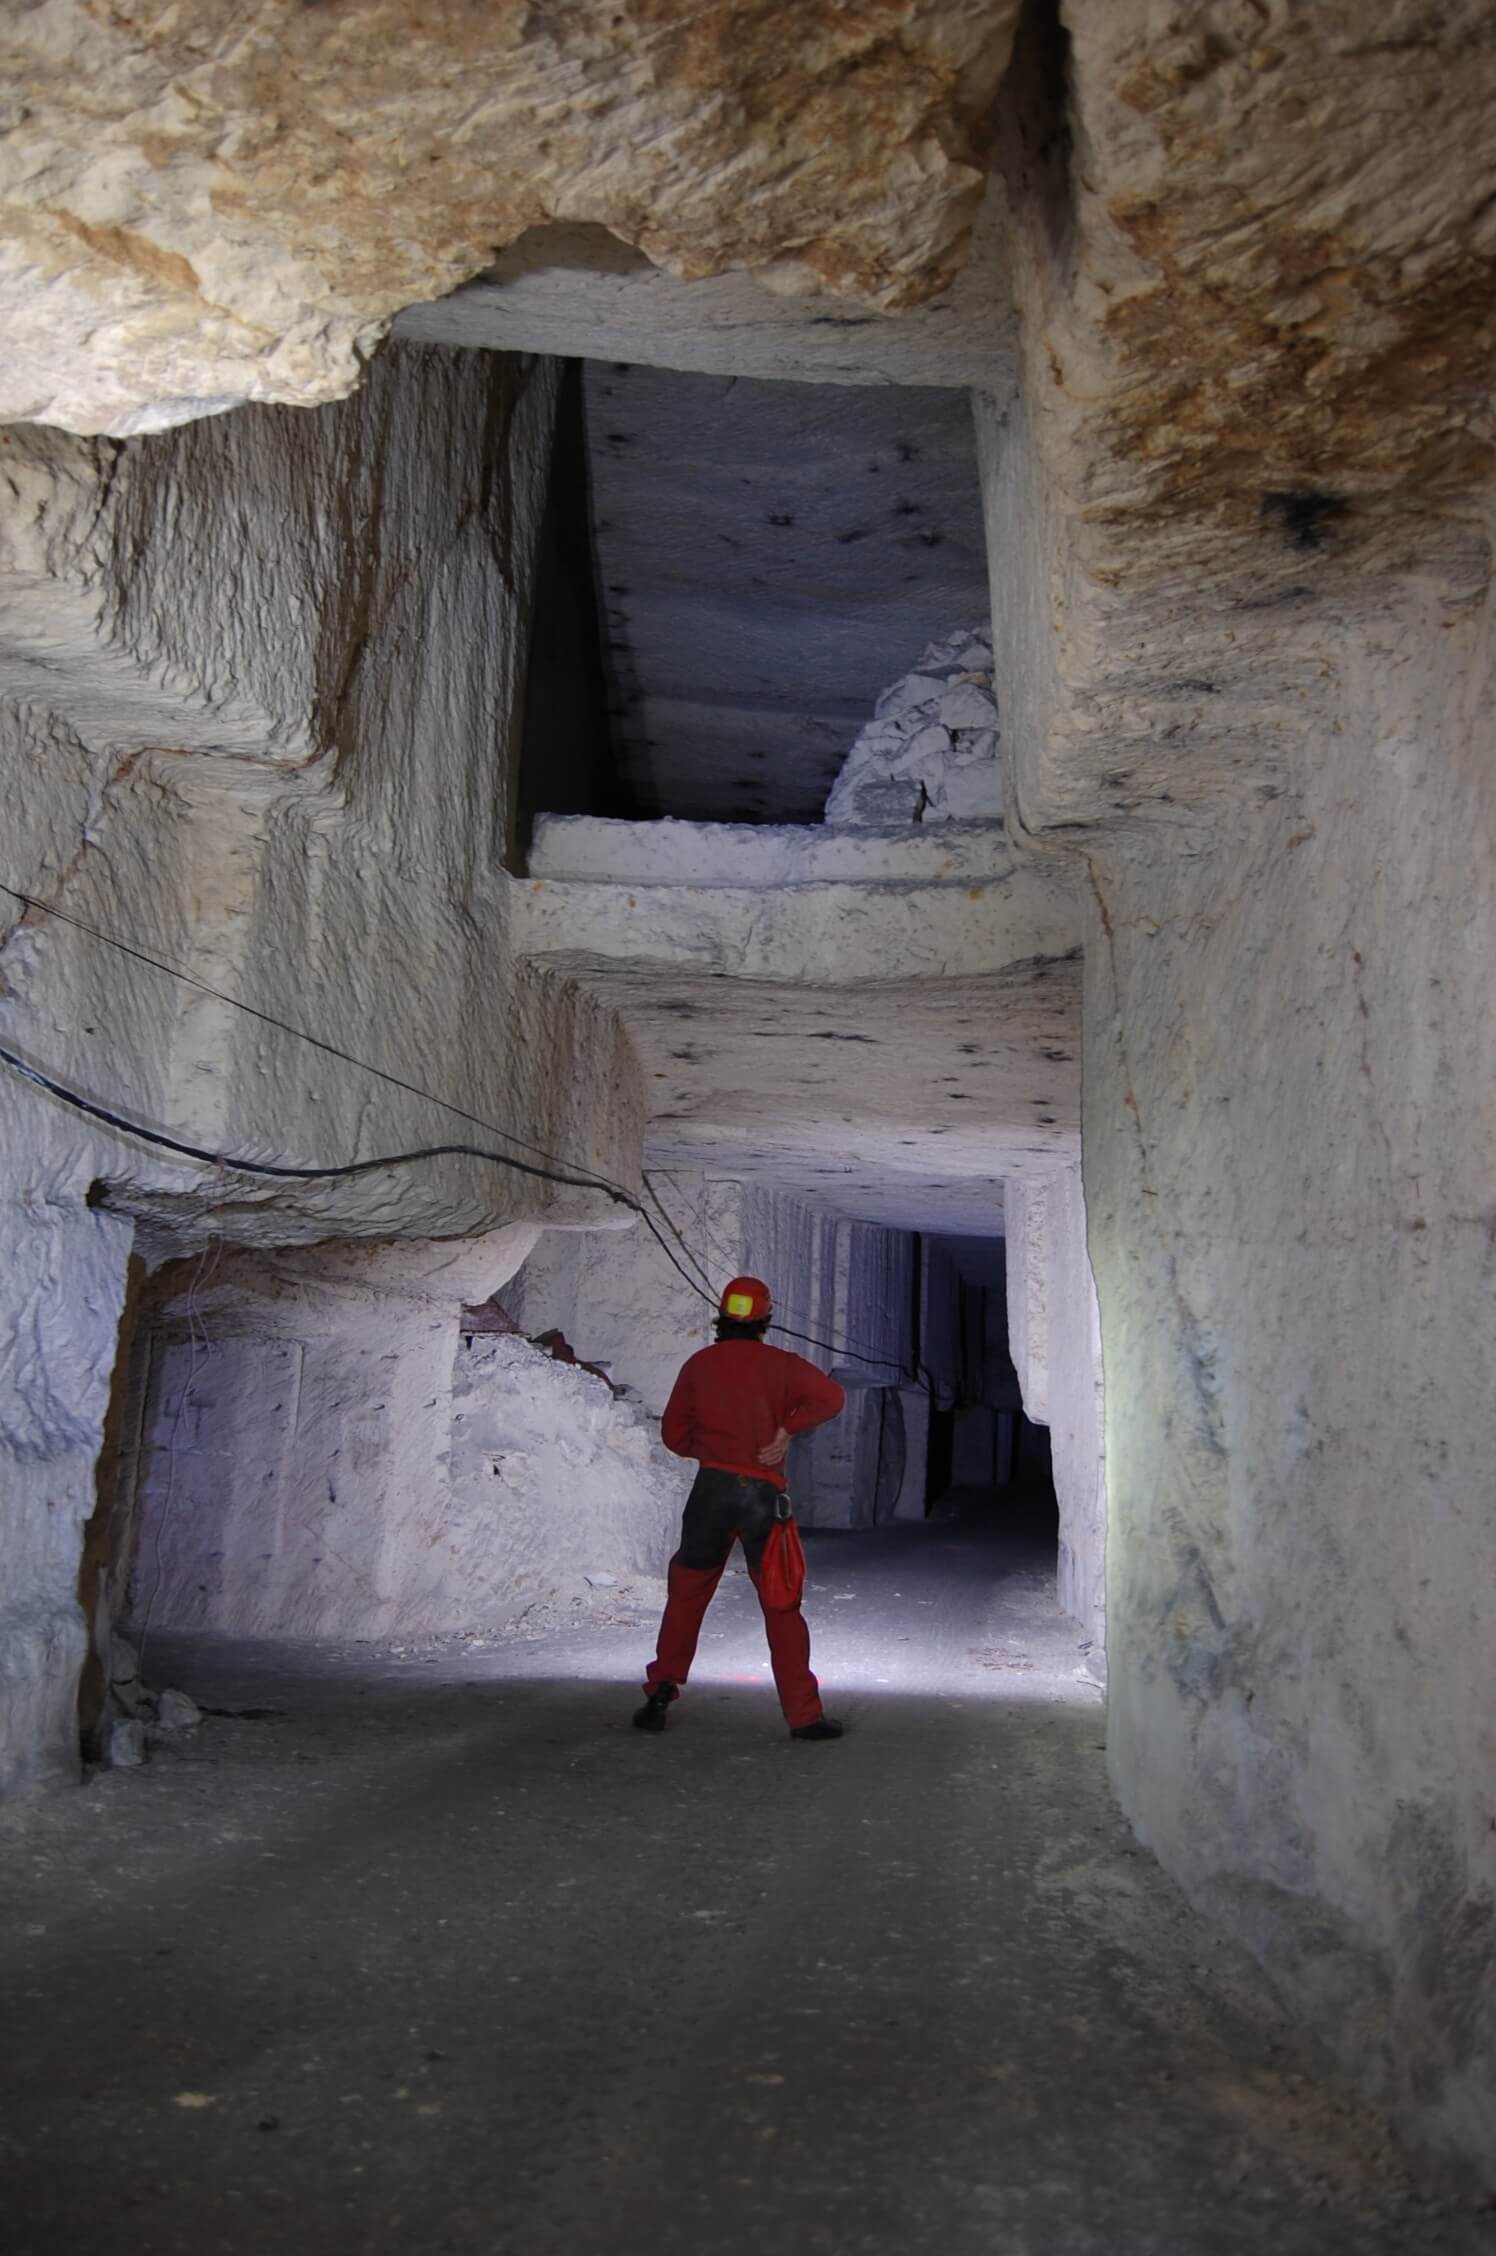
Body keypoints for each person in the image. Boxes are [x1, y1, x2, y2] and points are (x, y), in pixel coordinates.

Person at [634, 1276, 847, 1741]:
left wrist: (713, 1451)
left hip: (711, 1489)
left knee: (687, 1593)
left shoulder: (700, 1365)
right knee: (781, 1602)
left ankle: (660, 1691)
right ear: (764, 1320)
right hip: (762, 1496)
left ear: (722, 1318)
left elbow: (673, 1435)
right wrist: (788, 1429)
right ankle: (804, 1716)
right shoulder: (782, 1365)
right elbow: (831, 1398)